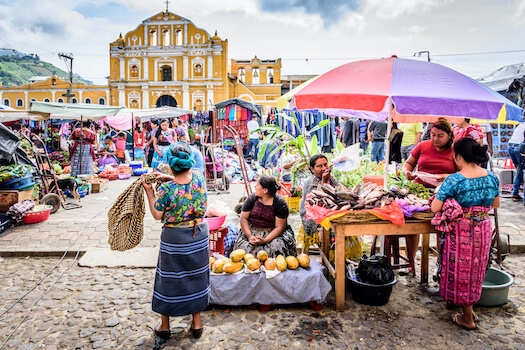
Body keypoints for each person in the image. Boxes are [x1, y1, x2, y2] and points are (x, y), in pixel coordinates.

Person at [142, 142, 209, 344]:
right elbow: (186, 185)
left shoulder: (166, 191)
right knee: (196, 276)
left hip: (175, 239)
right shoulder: (199, 178)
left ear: (171, 166)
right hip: (198, 235)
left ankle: (165, 326)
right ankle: (196, 323)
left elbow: (157, 215)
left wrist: (149, 191)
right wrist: (170, 178)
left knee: (169, 279)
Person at [430, 137, 500, 330]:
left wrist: (447, 199)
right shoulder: (492, 176)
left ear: (458, 156)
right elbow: (495, 204)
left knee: (463, 271)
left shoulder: (455, 179)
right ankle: (470, 309)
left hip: (463, 231)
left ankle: (467, 318)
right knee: (476, 269)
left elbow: (435, 207)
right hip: (483, 228)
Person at [402, 118, 457, 265]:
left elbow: (463, 174)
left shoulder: (456, 151)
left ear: (449, 136)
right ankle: (410, 262)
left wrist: (446, 177)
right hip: (418, 191)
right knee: (413, 226)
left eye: (440, 136)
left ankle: (442, 264)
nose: (435, 139)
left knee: (443, 228)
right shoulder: (422, 146)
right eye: (433, 135)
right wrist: (407, 172)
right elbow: (408, 163)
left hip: (444, 194)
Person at [233, 175, 296, 257]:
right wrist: (249, 236)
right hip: (252, 232)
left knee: (277, 249)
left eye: (258, 185)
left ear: (265, 190)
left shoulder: (280, 203)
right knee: (244, 251)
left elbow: (279, 227)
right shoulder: (252, 198)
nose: (255, 186)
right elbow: (243, 218)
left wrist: (265, 240)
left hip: (273, 234)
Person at [299, 154, 345, 241]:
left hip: (329, 212)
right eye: (319, 166)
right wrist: (324, 182)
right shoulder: (310, 182)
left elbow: (340, 190)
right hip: (312, 217)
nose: (324, 168)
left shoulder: (331, 177)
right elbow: (315, 203)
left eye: (325, 164)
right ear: (312, 169)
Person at [508, 122, 525, 201]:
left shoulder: (521, 124)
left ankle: (515, 192)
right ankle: (515, 193)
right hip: (519, 147)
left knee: (519, 170)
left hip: (511, 146)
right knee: (521, 171)